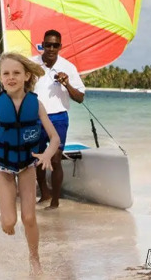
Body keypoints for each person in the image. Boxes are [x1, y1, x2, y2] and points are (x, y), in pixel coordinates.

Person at [0, 52, 60, 276]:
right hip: (3, 167)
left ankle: (34, 259)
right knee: (9, 221)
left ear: (26, 76)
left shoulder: (36, 104)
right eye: (6, 74)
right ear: (0, 78)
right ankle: (6, 221)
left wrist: (47, 154)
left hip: (27, 165)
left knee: (29, 217)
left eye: (16, 73)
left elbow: (55, 138)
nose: (11, 78)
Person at [30, 29, 85, 208]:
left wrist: (66, 83)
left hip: (58, 118)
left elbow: (80, 98)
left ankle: (55, 201)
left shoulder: (68, 67)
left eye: (55, 45)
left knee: (55, 159)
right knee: (38, 158)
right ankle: (44, 193)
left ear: (60, 46)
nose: (51, 48)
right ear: (42, 45)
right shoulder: (32, 64)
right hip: (35, 117)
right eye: (48, 45)